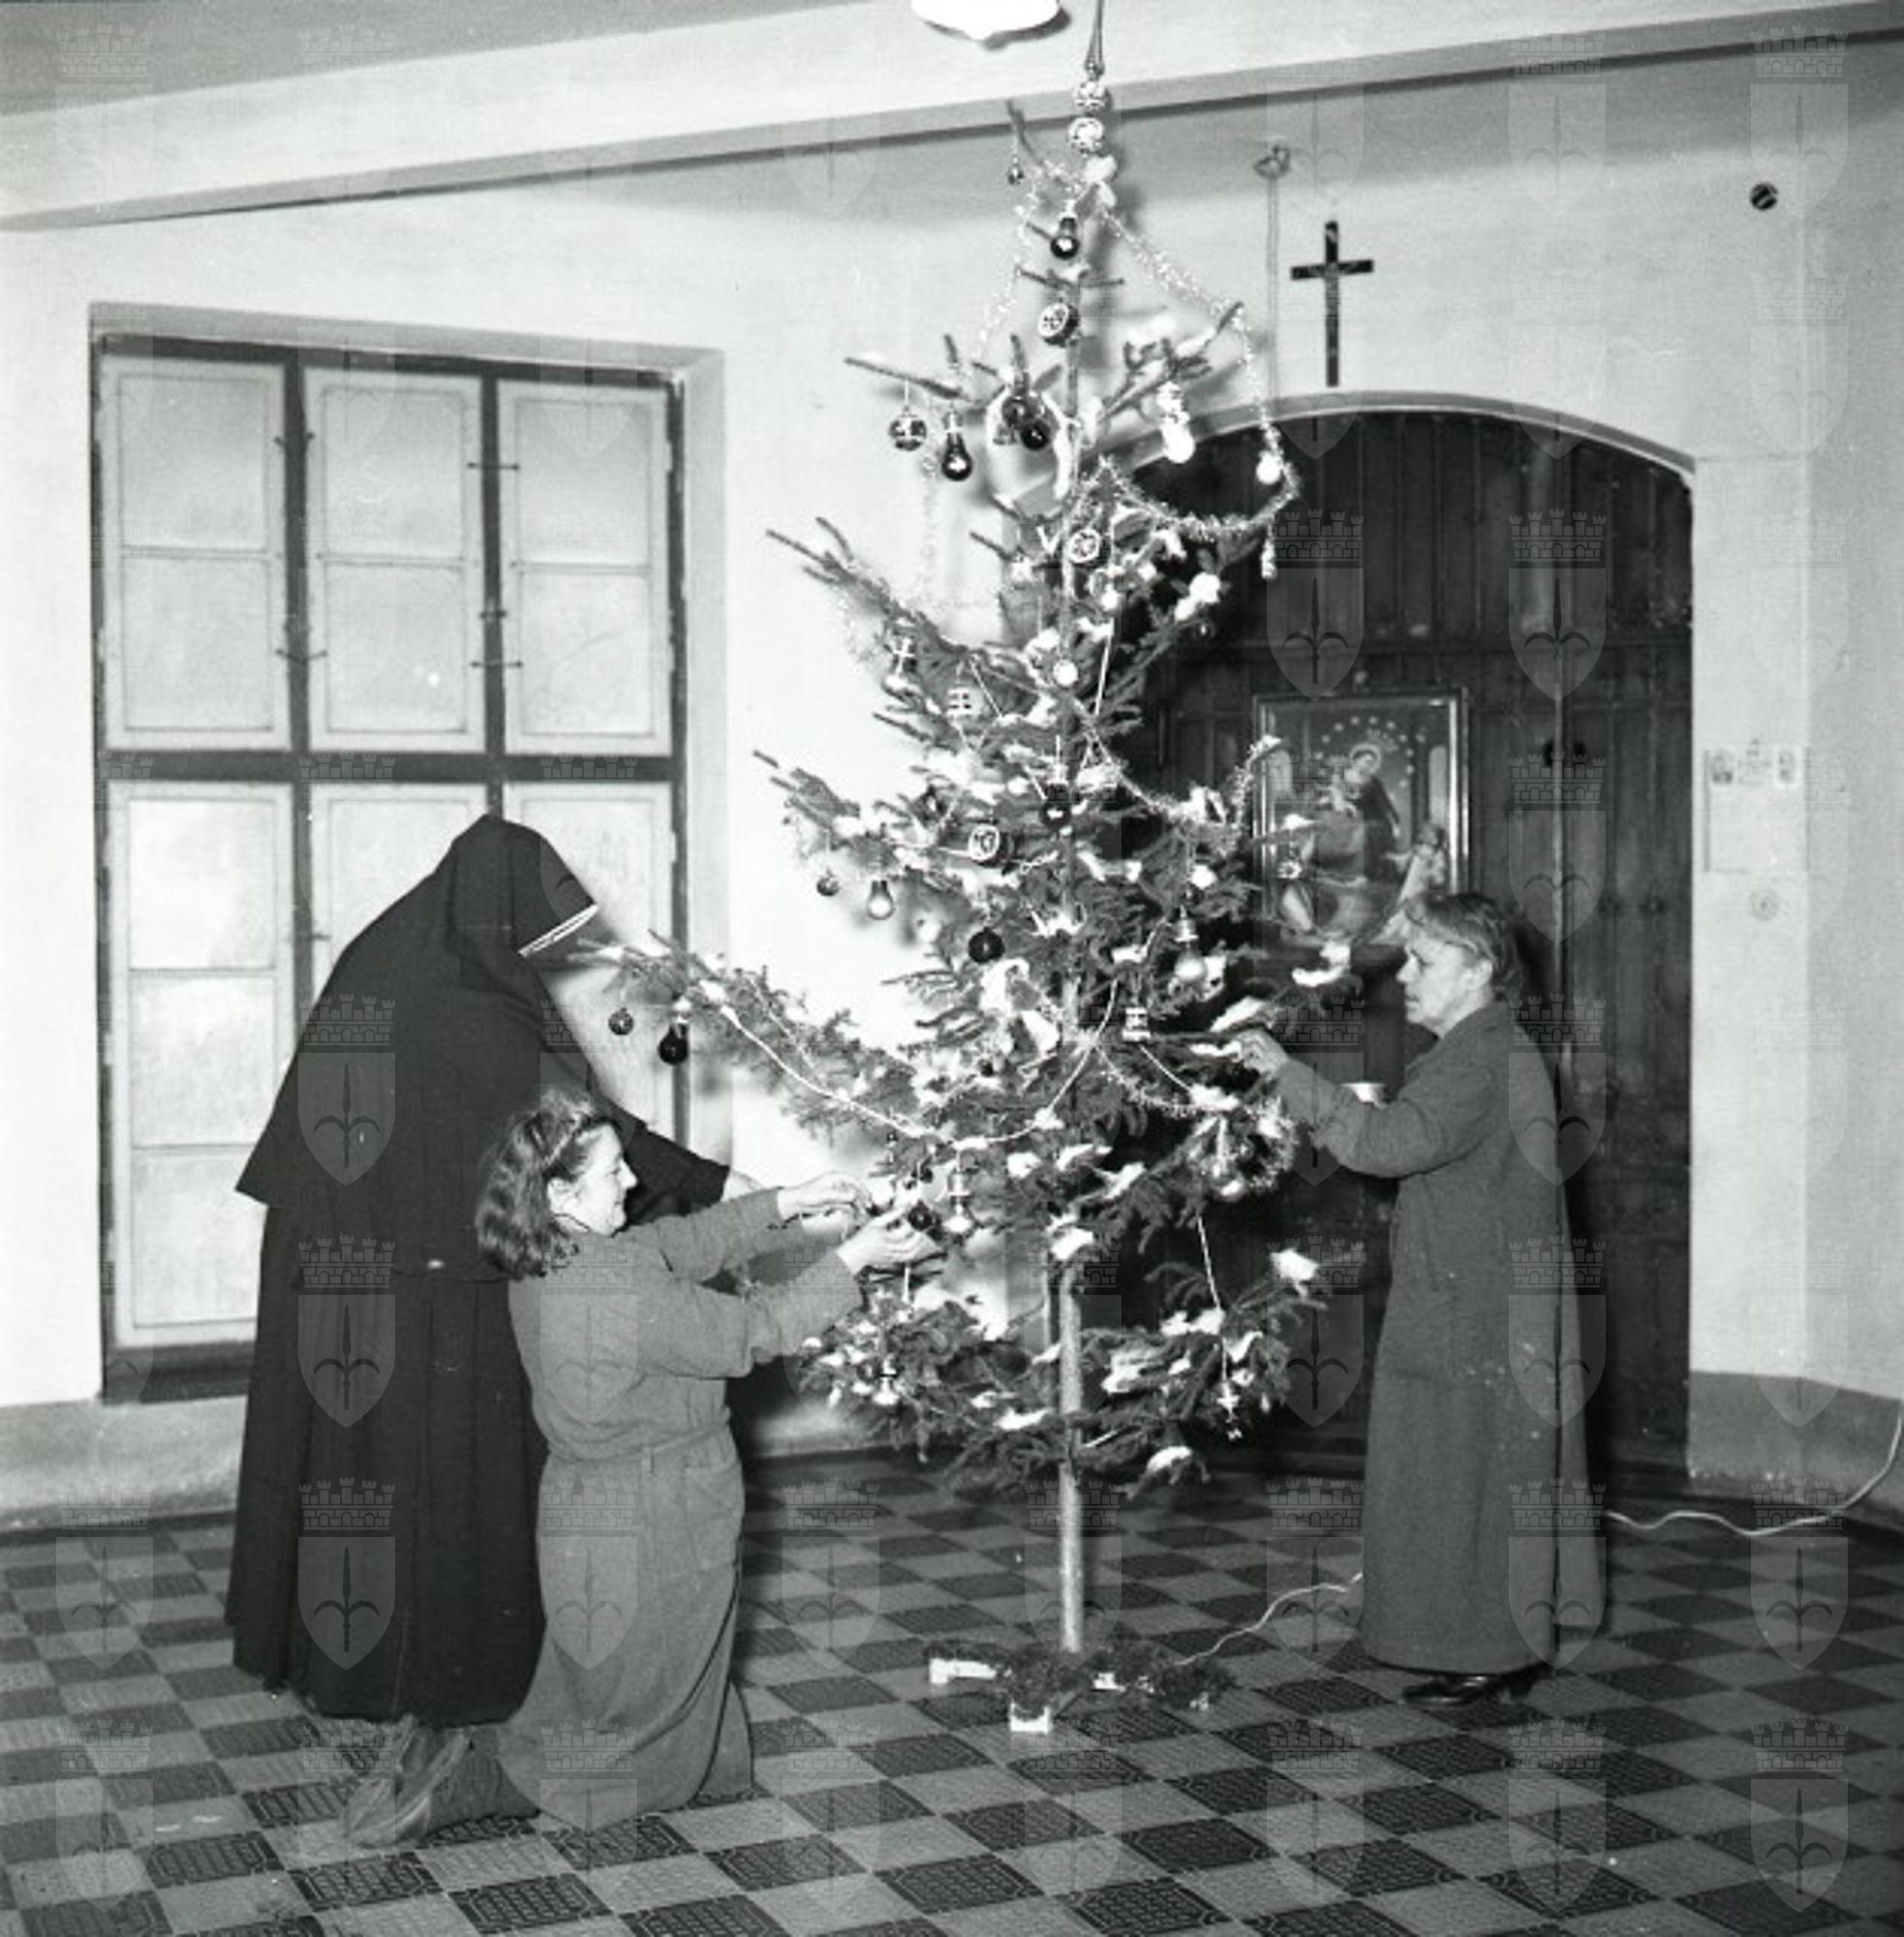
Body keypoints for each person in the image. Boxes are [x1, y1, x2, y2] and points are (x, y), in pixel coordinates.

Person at [227, 817, 733, 1754]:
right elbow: (579, 1129)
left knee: (372, 1474)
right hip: (412, 1279)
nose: (532, 955)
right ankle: (451, 1673)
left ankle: (365, 1666)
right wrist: (714, 1187)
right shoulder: (463, 997)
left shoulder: (402, 950)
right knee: (436, 1471)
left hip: (359, 1262)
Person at [351, 1090, 938, 1842]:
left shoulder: (554, 1256)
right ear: (561, 1194)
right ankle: (482, 1785)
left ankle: (479, 1756)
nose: (631, 1180)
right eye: (612, 1172)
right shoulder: (616, 1285)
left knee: (601, 1677)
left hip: (587, 1497)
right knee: (648, 1701)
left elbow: (680, 1244)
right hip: (662, 1504)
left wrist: (788, 1202)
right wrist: (855, 1258)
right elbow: (754, 1331)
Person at [1236, 891, 1600, 1705]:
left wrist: (1289, 1077)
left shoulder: (1479, 1059)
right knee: (1470, 1477)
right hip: (1483, 1300)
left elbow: (1388, 1144)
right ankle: (1497, 1642)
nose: (1405, 976)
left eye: (1424, 961)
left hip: (1473, 1313)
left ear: (1477, 970)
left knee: (1461, 1479)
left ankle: (1488, 1651)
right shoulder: (1491, 1047)